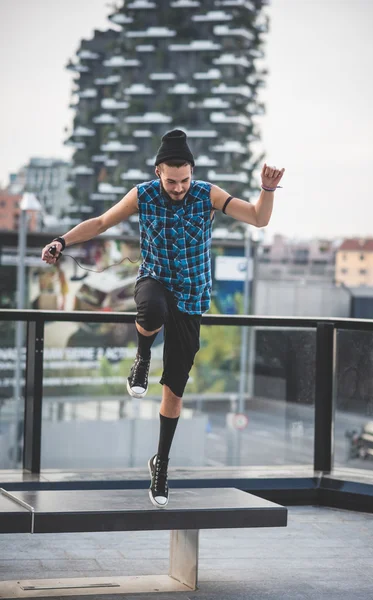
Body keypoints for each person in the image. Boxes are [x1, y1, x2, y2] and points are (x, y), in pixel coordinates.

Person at [42, 129, 285, 508]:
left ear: (192, 172)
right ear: (158, 173)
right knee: (151, 309)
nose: (178, 187)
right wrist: (61, 241)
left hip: (191, 297)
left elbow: (257, 219)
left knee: (174, 389)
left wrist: (267, 191)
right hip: (154, 281)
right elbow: (102, 223)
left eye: (184, 180)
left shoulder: (207, 194)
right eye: (171, 181)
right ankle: (142, 358)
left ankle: (161, 464)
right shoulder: (143, 195)